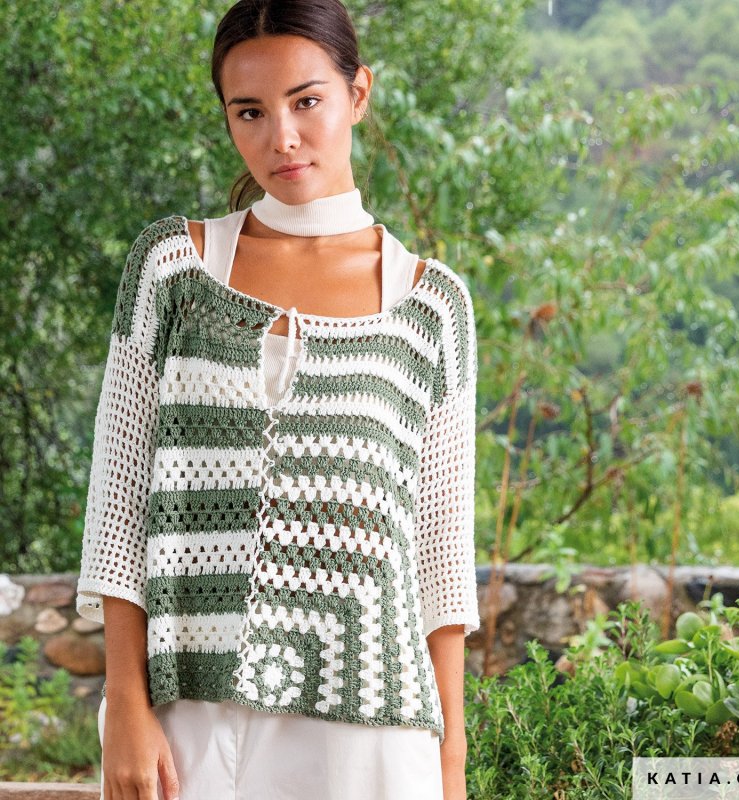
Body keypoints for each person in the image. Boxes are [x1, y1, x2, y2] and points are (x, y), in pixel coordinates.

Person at [76, 1, 480, 799]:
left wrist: (451, 760)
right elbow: (119, 504)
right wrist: (124, 703)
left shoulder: (432, 305)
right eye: (250, 112)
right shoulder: (171, 270)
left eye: (307, 101)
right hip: (187, 718)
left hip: (371, 727)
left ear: (358, 94)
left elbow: (440, 554)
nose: (282, 138)